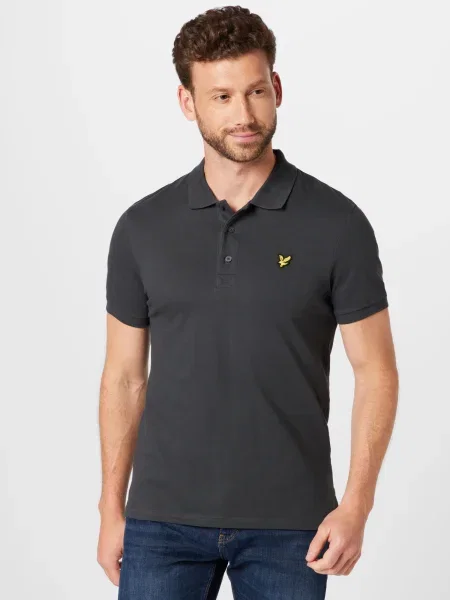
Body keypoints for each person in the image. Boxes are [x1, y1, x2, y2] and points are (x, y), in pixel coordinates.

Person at [97, 6, 399, 599]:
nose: (243, 115)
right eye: (222, 96)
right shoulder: (141, 228)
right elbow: (124, 378)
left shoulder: (337, 225)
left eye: (256, 91)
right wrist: (111, 507)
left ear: (276, 88)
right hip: (161, 521)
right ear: (188, 102)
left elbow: (377, 371)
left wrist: (357, 504)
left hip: (292, 524)